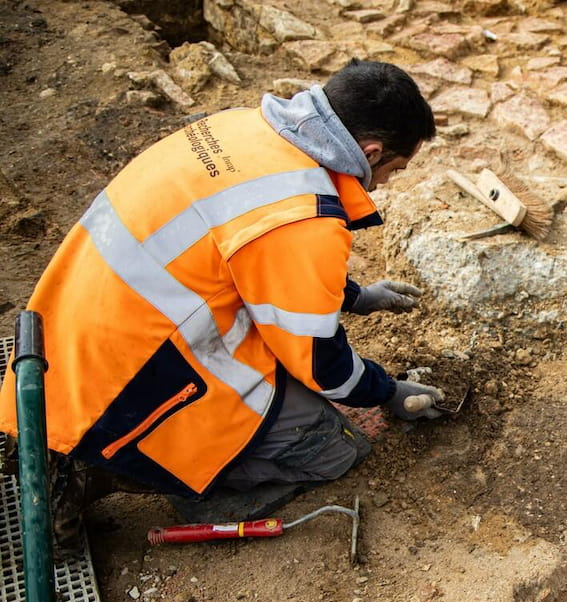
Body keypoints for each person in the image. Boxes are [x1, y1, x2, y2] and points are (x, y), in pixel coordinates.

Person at [0, 59, 444, 545]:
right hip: (124, 382)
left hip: (62, 338)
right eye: (394, 170)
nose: (383, 184)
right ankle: (95, 469)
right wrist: (387, 393)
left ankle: (77, 446)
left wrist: (356, 298)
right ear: (371, 150)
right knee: (334, 448)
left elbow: (255, 261)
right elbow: (322, 365)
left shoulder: (240, 128)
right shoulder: (303, 218)